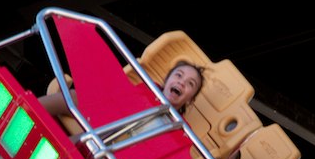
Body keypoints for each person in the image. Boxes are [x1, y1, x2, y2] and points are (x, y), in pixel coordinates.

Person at [38, 59, 204, 120]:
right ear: (167, 81)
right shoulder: (147, 89)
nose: (181, 82)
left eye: (190, 84)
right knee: (76, 97)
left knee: (98, 140)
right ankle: (22, 110)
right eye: (179, 75)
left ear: (189, 99)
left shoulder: (179, 127)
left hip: (124, 145)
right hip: (110, 117)